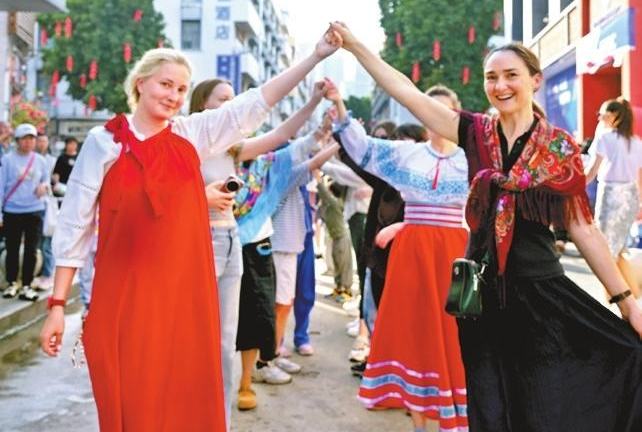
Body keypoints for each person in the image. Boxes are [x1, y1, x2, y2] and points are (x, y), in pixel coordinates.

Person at [331, 22, 642, 432]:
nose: (500, 85)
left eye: (511, 75)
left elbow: (584, 229)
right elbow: (406, 91)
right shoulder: (475, 134)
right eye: (491, 77)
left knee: (542, 402)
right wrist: (355, 45)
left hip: (540, 293)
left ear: (535, 80)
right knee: (489, 404)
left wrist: (627, 303)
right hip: (481, 296)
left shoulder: (559, 149)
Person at [39, 30, 340, 432]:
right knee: (129, 400)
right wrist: (58, 305)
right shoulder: (103, 142)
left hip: (181, 293)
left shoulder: (189, 134)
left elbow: (253, 105)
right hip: (123, 294)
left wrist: (315, 57)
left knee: (181, 397)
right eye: (165, 84)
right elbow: (76, 223)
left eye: (181, 89)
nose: (173, 96)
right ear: (140, 83)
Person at [330, 83, 470, 432]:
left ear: (457, 114)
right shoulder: (407, 154)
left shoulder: (472, 158)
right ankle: (419, 425)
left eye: (443, 111)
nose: (435, 118)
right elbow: (363, 147)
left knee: (455, 336)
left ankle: (452, 419)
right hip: (412, 257)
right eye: (428, 110)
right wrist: (339, 105)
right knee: (414, 334)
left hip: (454, 257)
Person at [190, 78, 329, 424]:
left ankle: (227, 403)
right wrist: (200, 198)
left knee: (234, 330)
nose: (232, 106)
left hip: (234, 243)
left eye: (234, 99)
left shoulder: (234, 149)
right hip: (196, 244)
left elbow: (282, 135)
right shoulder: (186, 142)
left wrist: (313, 101)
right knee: (197, 331)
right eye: (223, 99)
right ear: (202, 104)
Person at [585, 98, 642, 298]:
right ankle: (630, 295)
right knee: (614, 250)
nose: (599, 118)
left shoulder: (604, 137)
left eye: (603, 115)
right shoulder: (636, 142)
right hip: (630, 198)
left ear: (615, 116)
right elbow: (639, 178)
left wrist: (571, 187)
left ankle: (616, 298)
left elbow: (591, 172)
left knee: (606, 252)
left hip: (611, 197)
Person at [0, 123, 49, 301]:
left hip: (34, 210)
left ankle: (27, 284)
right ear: (17, 140)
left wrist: (44, 186)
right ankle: (12, 282)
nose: (29, 142)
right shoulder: (7, 160)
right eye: (25, 139)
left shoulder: (40, 160)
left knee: (32, 249)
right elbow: (0, 186)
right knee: (12, 248)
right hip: (12, 210)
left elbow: (46, 181)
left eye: (32, 139)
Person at [32, 132, 57, 291]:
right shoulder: (30, 159)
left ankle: (48, 274)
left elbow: (54, 183)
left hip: (48, 206)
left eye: (44, 141)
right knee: (35, 243)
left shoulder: (53, 161)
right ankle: (38, 273)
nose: (41, 143)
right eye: (39, 141)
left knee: (47, 243)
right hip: (32, 206)